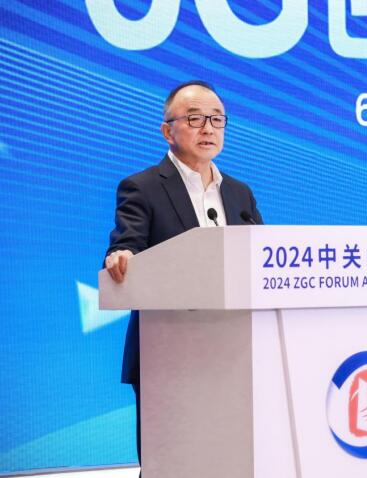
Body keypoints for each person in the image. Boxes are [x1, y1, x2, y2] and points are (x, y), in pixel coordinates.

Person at [104, 80, 263, 463]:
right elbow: (127, 246)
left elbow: (261, 258)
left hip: (235, 351)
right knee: (171, 463)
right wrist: (121, 256)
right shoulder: (142, 187)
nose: (208, 128)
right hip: (167, 353)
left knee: (232, 459)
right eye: (194, 118)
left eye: (217, 119)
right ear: (167, 131)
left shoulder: (239, 193)